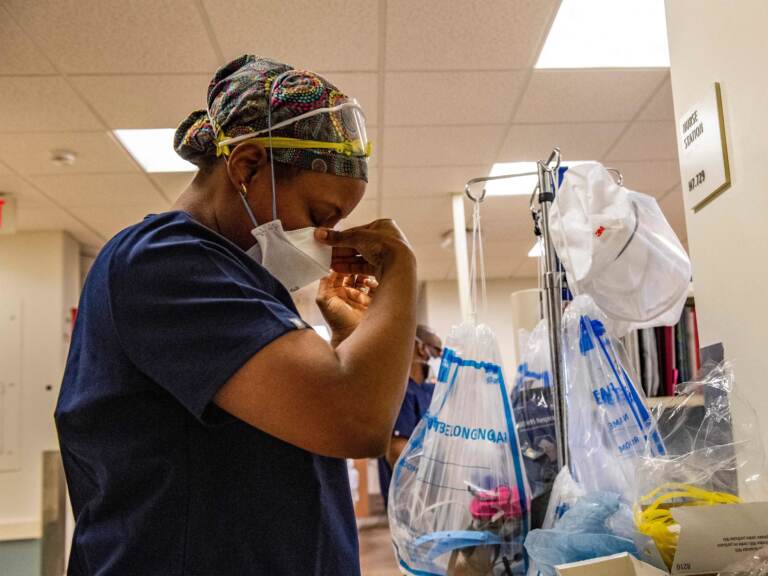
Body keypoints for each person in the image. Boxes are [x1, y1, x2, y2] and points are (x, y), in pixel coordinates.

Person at [54, 55, 418, 575]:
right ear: (246, 166)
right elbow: (355, 421)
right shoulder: (163, 260)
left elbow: (283, 439)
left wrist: (348, 346)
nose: (324, 238)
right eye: (320, 216)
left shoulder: (235, 278)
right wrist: (400, 273)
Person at [378, 324, 443, 508]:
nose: (439, 357)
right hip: (412, 500)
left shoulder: (428, 390)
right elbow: (397, 452)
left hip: (431, 494)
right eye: (436, 350)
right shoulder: (402, 392)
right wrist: (419, 498)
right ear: (420, 348)